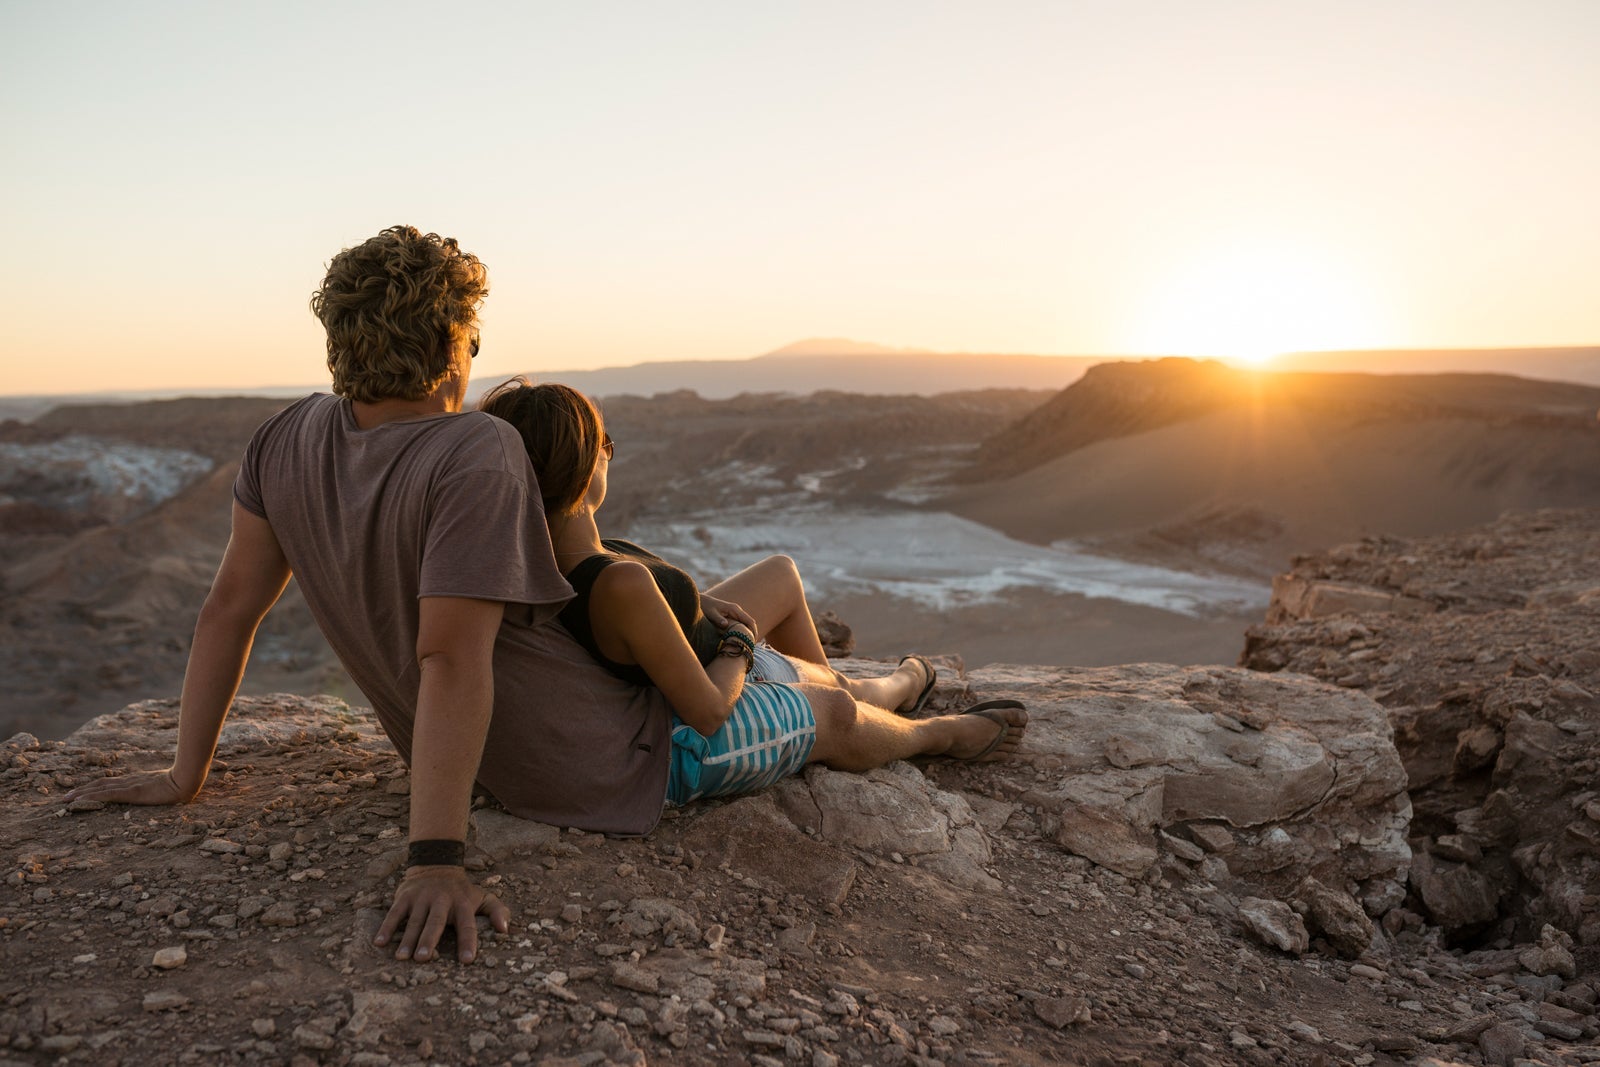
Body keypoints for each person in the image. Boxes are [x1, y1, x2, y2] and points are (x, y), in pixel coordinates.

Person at [64, 225, 1026, 968]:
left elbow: (229, 607)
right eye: (472, 338)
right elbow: (452, 656)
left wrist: (187, 772)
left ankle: (894, 684)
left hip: (506, 747)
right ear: (453, 344)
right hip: (599, 758)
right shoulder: (472, 449)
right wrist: (436, 855)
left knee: (749, 621)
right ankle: (937, 730)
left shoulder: (283, 439)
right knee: (820, 710)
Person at [477, 378, 1028, 805]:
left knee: (781, 575)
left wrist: (698, 604)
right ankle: (935, 734)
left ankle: (895, 685)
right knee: (835, 707)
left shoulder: (573, 553)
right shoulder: (617, 581)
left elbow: (641, 612)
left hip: (704, 654)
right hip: (704, 698)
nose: (609, 454)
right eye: (604, 444)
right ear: (579, 462)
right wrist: (739, 643)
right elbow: (710, 712)